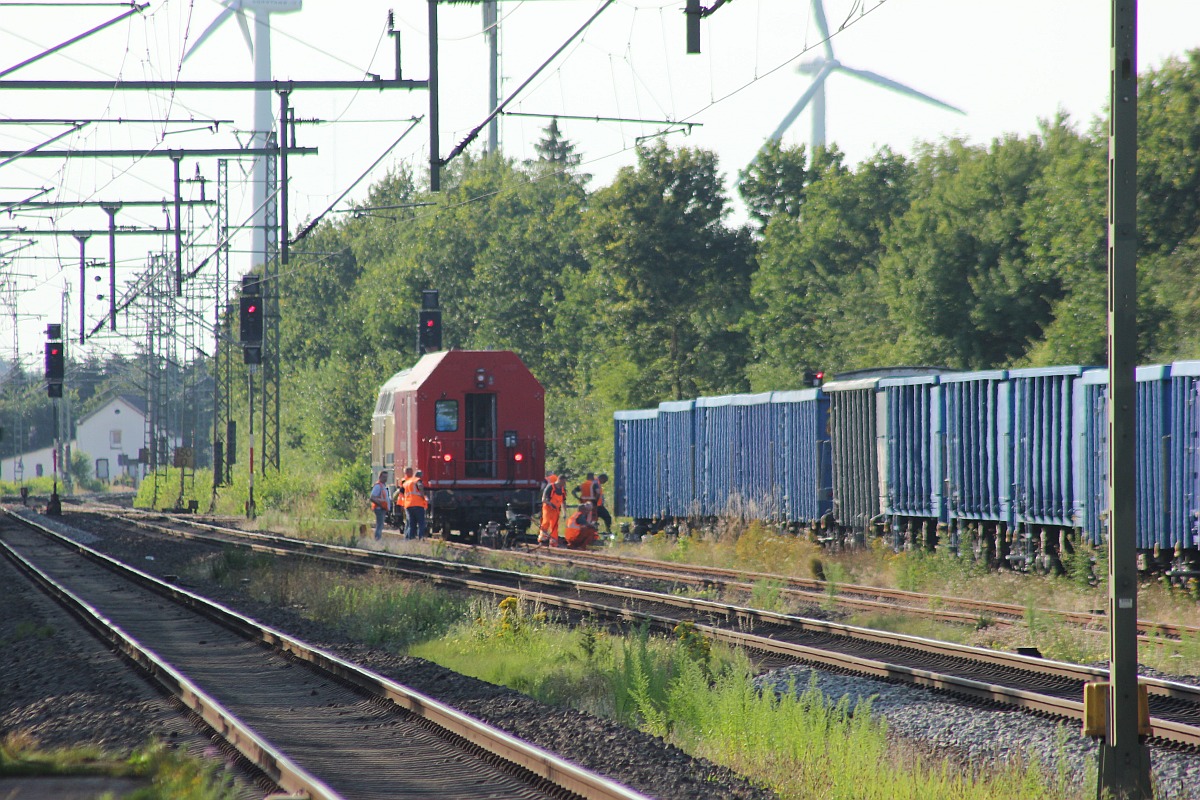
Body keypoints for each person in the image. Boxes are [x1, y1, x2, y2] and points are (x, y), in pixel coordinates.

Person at [538, 474, 567, 547]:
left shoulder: (562, 490)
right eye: (563, 482)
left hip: (556, 510)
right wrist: (551, 504)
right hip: (547, 508)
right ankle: (542, 539)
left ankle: (553, 542)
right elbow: (543, 499)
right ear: (559, 480)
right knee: (546, 522)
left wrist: (564, 513)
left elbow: (563, 502)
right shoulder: (550, 487)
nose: (564, 484)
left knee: (554, 526)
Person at [404, 469, 428, 540]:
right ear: (420, 476)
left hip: (408, 505)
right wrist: (423, 495)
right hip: (417, 505)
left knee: (412, 524)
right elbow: (420, 486)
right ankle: (421, 538)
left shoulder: (408, 482)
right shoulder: (417, 480)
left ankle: (410, 539)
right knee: (421, 523)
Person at [370, 471, 391, 541]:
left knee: (380, 525)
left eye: (386, 477)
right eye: (384, 477)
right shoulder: (378, 486)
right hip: (379, 508)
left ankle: (378, 538)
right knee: (379, 525)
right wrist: (380, 504)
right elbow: (372, 497)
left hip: (382, 508)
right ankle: (377, 539)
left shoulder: (383, 486)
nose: (385, 479)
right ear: (380, 477)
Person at [393, 466, 414, 531]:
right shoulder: (405, 481)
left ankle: (407, 532)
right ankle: (407, 533)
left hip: (407, 502)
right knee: (407, 519)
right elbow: (401, 493)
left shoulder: (406, 481)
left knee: (408, 519)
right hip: (406, 503)